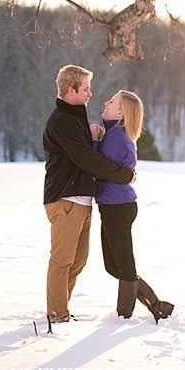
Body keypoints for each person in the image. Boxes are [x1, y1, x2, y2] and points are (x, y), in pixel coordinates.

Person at [43, 65, 136, 324]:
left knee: (78, 260)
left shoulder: (76, 116)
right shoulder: (62, 121)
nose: (90, 94)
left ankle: (62, 308)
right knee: (62, 261)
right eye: (85, 89)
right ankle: (57, 313)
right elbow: (87, 160)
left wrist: (93, 138)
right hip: (65, 199)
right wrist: (124, 175)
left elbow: (88, 154)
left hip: (81, 200)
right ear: (70, 90)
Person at [94, 89, 174, 323]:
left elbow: (100, 167)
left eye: (112, 101)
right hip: (113, 205)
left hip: (118, 206)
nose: (106, 102)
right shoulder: (114, 133)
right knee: (113, 265)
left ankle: (126, 314)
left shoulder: (116, 136)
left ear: (121, 112)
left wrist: (92, 141)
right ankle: (156, 305)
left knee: (124, 266)